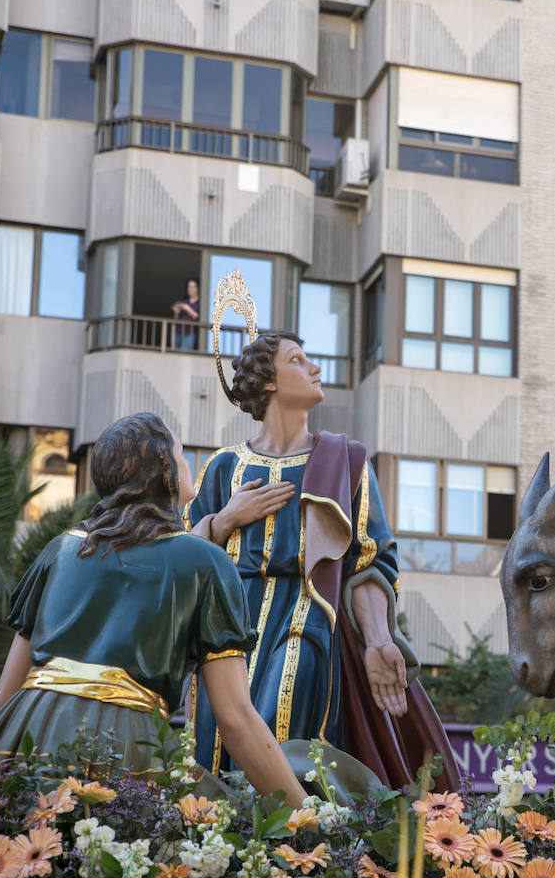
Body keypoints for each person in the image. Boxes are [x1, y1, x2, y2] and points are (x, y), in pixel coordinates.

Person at [188, 288, 459, 792]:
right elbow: (183, 558)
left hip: (308, 614)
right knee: (215, 745)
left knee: (282, 719)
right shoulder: (225, 467)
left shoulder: (345, 461)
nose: (314, 369)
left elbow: (369, 562)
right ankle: (221, 852)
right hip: (230, 623)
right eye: (297, 360)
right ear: (267, 381)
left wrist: (378, 639)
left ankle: (285, 842)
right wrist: (225, 520)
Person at [0, 412, 306, 807]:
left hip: (23, 733)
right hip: (123, 742)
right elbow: (235, 718)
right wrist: (303, 815)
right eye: (183, 454)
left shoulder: (61, 548)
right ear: (163, 469)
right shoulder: (205, 563)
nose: (190, 466)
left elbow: (2, 698)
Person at [171, 278, 201, 351]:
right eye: (189, 287)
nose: (190, 289)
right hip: (179, 331)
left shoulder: (200, 302)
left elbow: (198, 317)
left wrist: (187, 308)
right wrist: (176, 313)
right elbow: (176, 319)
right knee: (175, 352)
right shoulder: (183, 301)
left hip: (191, 332)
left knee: (185, 352)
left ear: (198, 288)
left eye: (193, 287)